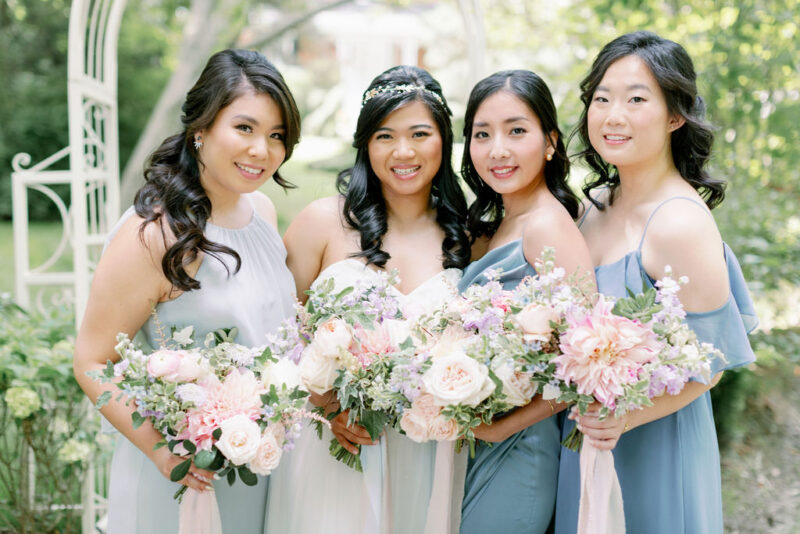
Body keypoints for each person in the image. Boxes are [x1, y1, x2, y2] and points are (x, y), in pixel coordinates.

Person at [73, 49, 301, 534]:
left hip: (261, 464)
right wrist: (161, 451)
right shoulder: (153, 234)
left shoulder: (263, 212)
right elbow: (91, 361)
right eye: (245, 128)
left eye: (276, 135)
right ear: (201, 128)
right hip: (184, 474)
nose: (262, 150)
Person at [554, 31, 758, 534]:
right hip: (584, 440)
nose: (613, 115)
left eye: (636, 99)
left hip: (655, 445)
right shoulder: (592, 207)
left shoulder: (679, 221)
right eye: (601, 99)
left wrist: (625, 417)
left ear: (674, 116)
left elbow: (711, 362)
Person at [266, 65, 471, 534]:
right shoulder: (322, 223)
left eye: (420, 133)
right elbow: (275, 334)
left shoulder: (468, 239)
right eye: (385, 136)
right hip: (334, 454)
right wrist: (326, 404)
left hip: (431, 455)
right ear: (365, 144)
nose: (404, 152)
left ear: (444, 139)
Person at [457, 70, 595, 534]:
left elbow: (589, 357)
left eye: (517, 131)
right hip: (479, 436)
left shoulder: (547, 226)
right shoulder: (500, 224)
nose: (498, 149)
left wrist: (503, 426)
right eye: (482, 134)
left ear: (550, 142)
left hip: (520, 446)